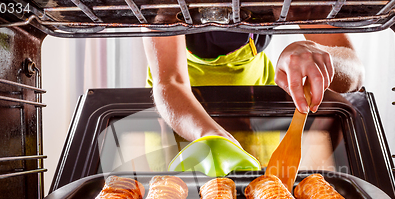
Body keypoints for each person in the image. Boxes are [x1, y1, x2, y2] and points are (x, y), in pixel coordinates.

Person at [142, 29, 364, 156]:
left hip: (255, 100)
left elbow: (356, 72)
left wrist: (320, 53)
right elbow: (170, 81)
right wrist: (208, 135)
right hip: (178, 112)